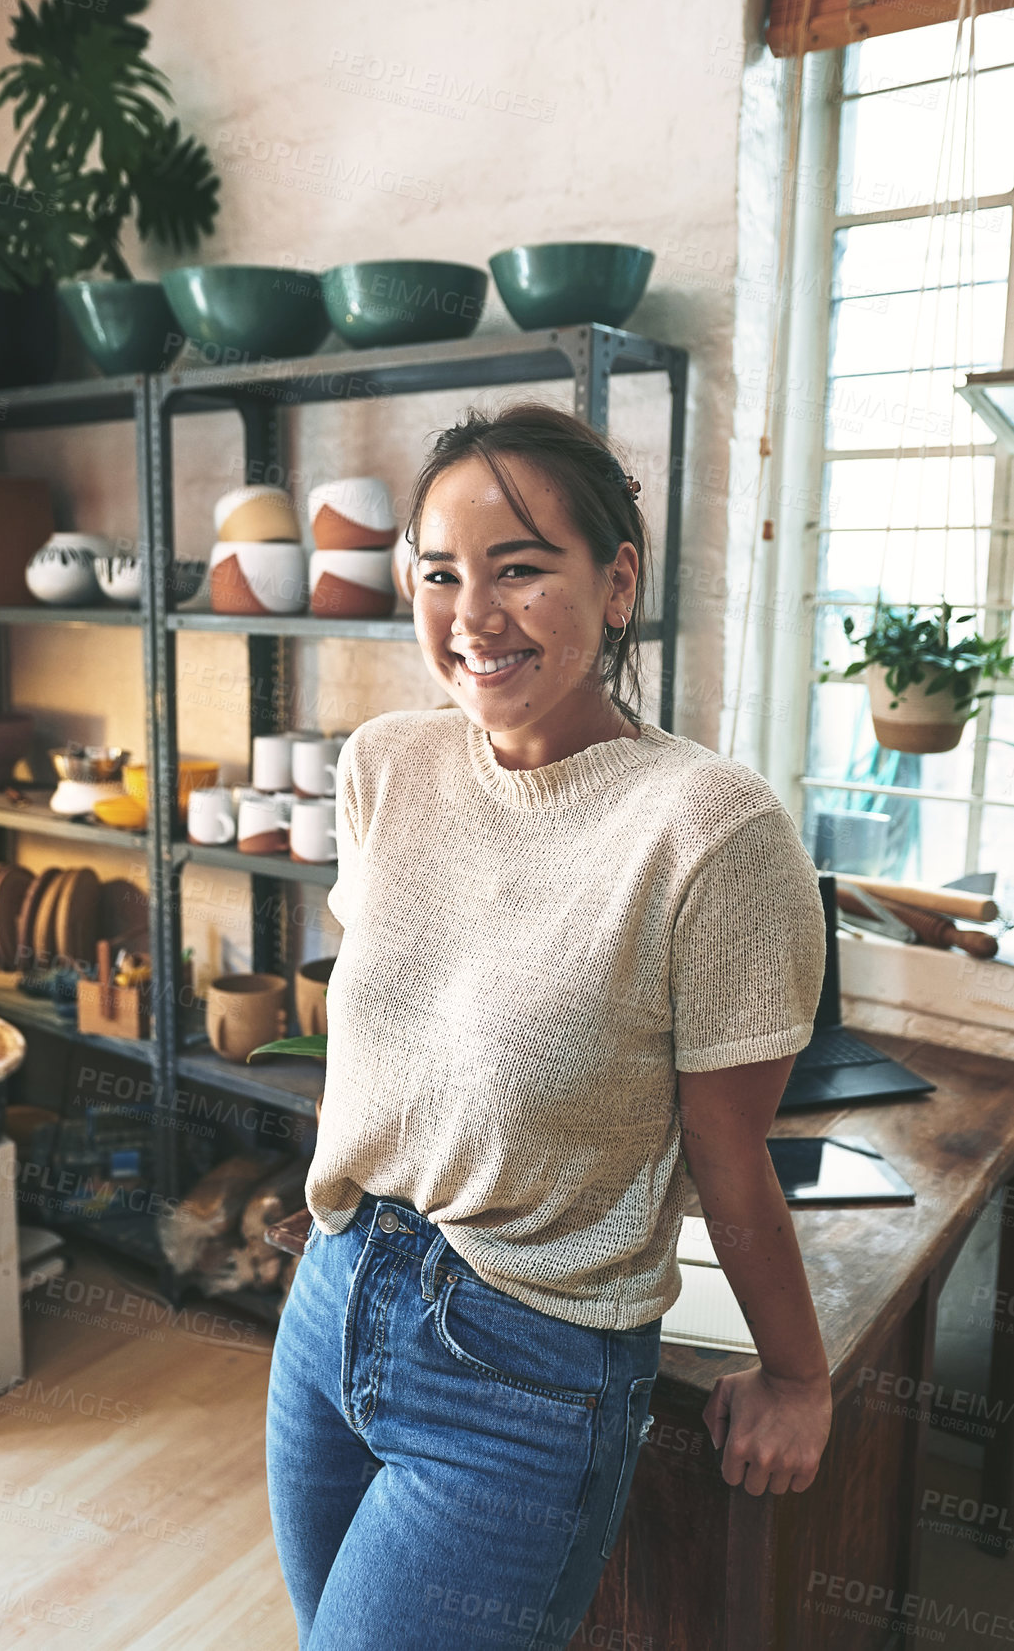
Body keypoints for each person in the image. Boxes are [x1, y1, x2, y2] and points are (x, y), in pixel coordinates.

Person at [266, 401, 831, 1651]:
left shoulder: (711, 832)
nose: (472, 616)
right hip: (330, 1301)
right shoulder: (383, 766)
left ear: (617, 580)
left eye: (520, 568)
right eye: (439, 574)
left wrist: (797, 1376)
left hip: (521, 1376)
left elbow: (729, 1158)